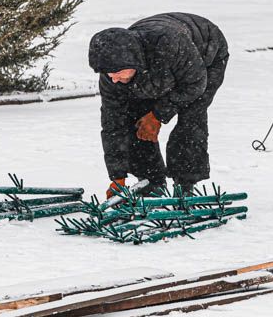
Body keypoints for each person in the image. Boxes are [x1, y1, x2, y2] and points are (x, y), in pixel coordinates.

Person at [89, 13, 230, 198]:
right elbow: (112, 124)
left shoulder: (169, 45)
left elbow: (195, 84)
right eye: (108, 74)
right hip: (159, 70)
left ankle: (185, 184)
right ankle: (151, 181)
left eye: (118, 72)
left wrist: (157, 115)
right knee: (136, 120)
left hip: (205, 58)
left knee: (191, 117)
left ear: (133, 61)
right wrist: (118, 177)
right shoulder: (113, 75)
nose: (114, 79)